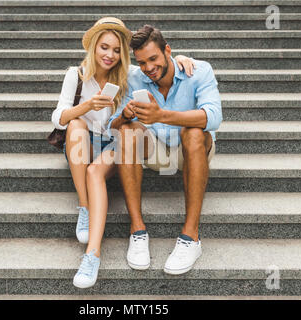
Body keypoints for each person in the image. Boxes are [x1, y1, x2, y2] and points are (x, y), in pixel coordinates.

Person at [51, 18, 196, 288]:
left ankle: (92, 255)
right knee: (75, 124)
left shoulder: (128, 74)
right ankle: (85, 206)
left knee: (95, 171)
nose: (110, 55)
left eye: (117, 50)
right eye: (104, 47)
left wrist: (183, 58)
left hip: (114, 142)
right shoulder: (77, 74)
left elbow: (160, 64)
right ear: (94, 47)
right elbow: (57, 118)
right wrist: (86, 106)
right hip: (82, 142)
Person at [107, 25, 222, 275]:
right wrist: (124, 115)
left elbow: (213, 117)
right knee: (125, 130)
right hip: (156, 149)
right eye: (142, 62)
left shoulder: (199, 70)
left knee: (193, 131)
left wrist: (163, 116)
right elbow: (111, 125)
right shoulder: (134, 77)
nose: (148, 68)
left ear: (167, 50)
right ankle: (137, 231)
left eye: (153, 59)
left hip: (193, 149)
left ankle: (191, 237)